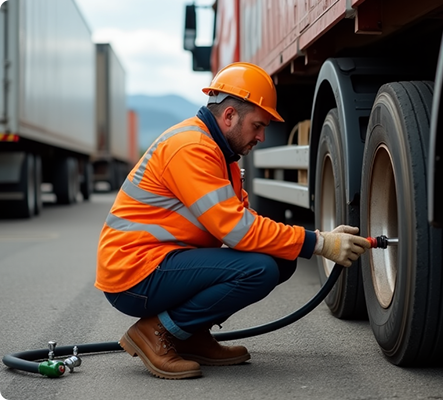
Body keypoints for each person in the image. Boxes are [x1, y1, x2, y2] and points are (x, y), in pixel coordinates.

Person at [95, 62, 371, 380]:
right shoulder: (191, 148)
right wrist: (319, 243)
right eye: (257, 125)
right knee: (260, 269)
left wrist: (311, 239)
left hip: (161, 260)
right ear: (229, 116)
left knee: (282, 260)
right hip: (134, 272)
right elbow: (237, 231)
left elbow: (244, 221)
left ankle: (189, 334)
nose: (262, 136)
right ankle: (156, 332)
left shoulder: (219, 153)